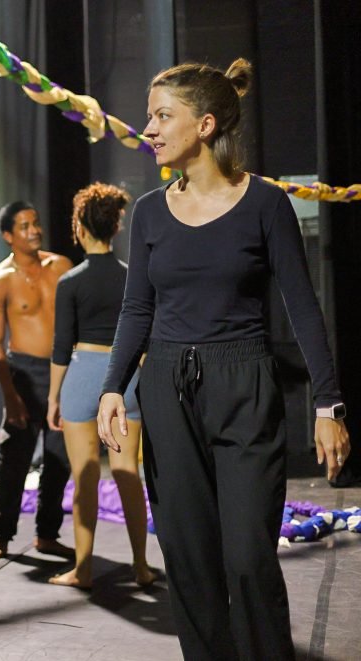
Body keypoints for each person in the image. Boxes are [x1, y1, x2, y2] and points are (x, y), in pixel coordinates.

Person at [98, 59, 350, 660]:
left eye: (163, 116)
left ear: (205, 124)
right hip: (165, 385)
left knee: (246, 557)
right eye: (150, 115)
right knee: (188, 558)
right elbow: (138, 309)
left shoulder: (265, 203)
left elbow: (302, 306)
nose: (148, 128)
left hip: (243, 385)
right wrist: (114, 388)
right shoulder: (153, 211)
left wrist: (327, 401)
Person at [45, 183, 156, 589]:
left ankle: (84, 568)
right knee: (128, 473)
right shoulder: (131, 278)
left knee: (85, 477)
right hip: (124, 376)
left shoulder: (70, 281)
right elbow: (144, 333)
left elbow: (61, 347)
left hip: (81, 377)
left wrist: (54, 397)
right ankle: (142, 566)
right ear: (114, 226)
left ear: (79, 226)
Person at [0, 201, 75, 561]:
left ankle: (47, 534)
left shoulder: (62, 266)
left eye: (35, 223)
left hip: (61, 369)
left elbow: (75, 323)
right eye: (24, 226)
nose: (34, 230)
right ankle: (1, 535)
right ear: (8, 236)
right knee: (15, 458)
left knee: (59, 457)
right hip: (23, 374)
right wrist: (11, 396)